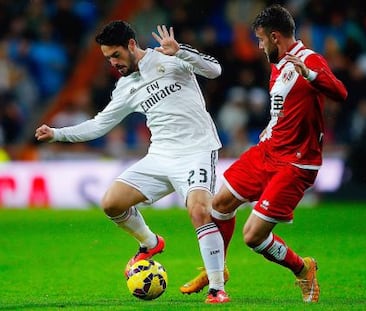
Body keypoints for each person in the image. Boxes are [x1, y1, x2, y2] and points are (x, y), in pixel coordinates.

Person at [35, 21, 229, 304]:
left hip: (196, 150)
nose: (113, 63)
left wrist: (181, 53)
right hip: (160, 155)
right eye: (108, 58)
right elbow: (99, 125)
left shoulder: (168, 57)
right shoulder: (125, 87)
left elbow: (215, 70)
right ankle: (151, 242)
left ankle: (217, 288)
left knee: (199, 211)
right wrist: (57, 134)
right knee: (111, 203)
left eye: (115, 55)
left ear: (130, 45)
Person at [181, 4, 348, 303]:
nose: (259, 46)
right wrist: (271, 126)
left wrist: (310, 75)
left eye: (260, 40)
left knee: (252, 236)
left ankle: (302, 267)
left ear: (275, 37)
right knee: (219, 204)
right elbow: (284, 109)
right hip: (268, 152)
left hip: (296, 163)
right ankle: (216, 273)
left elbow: (340, 92)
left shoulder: (309, 60)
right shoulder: (277, 66)